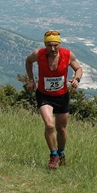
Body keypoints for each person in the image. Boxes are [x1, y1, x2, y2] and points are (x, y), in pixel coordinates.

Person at [25, 30, 83, 169]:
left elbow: (78, 69)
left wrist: (77, 79)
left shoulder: (68, 55)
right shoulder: (38, 55)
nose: (52, 49)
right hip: (44, 95)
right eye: (49, 45)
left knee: (61, 128)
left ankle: (61, 152)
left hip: (62, 96)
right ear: (45, 44)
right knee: (50, 125)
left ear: (59, 44)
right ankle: (53, 155)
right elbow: (28, 61)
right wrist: (31, 80)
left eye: (55, 45)